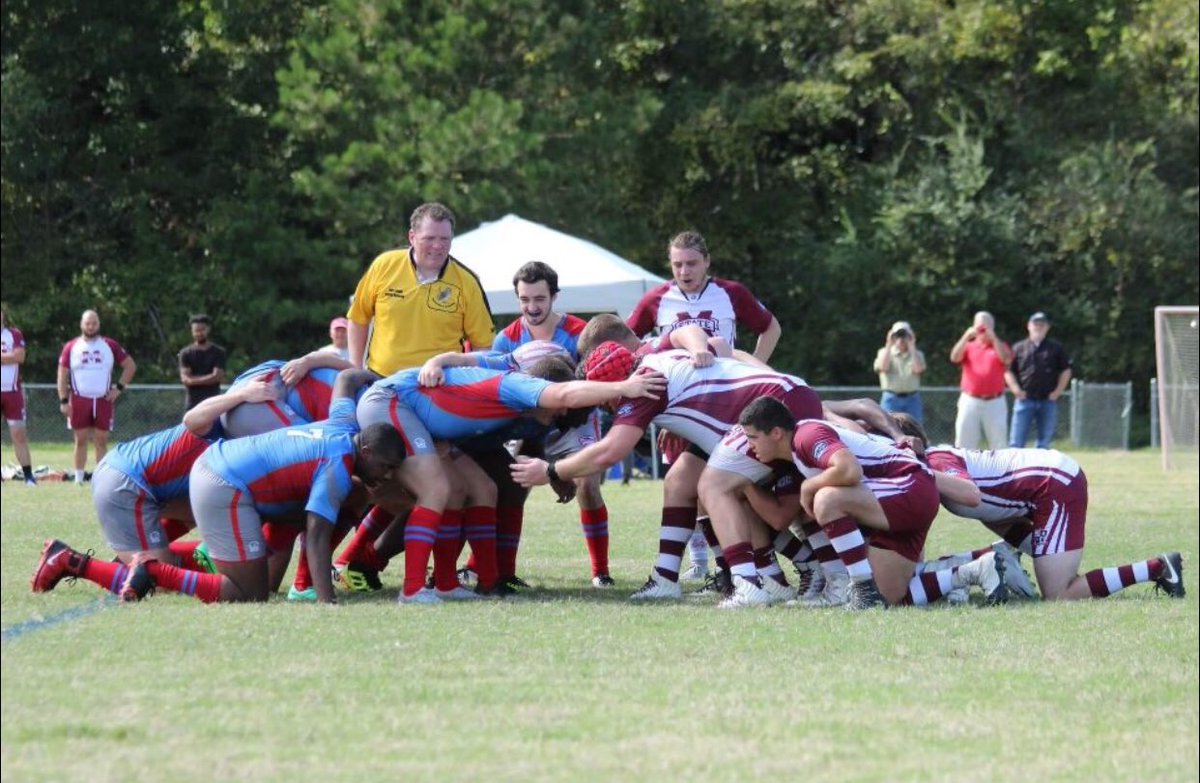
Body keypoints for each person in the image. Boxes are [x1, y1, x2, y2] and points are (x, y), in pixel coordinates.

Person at [355, 359, 665, 603]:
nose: (563, 413)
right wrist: (625, 386)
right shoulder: (518, 385)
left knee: (481, 488)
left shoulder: (525, 403)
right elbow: (565, 393)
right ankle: (410, 590)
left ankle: (451, 584)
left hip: (424, 423)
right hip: (392, 401)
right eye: (561, 409)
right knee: (436, 488)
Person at [29, 378, 280, 598]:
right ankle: (69, 560)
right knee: (159, 580)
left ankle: (137, 556)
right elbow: (191, 418)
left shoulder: (238, 447)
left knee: (208, 511)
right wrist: (241, 394)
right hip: (127, 482)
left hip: (137, 483)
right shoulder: (215, 427)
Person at [627, 230, 782, 581]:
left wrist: (750, 366)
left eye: (692, 263)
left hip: (729, 405)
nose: (684, 271)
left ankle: (753, 569)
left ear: (707, 261)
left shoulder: (732, 293)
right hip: (685, 409)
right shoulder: (656, 299)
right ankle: (724, 567)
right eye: (677, 264)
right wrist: (662, 409)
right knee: (693, 491)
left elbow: (771, 328)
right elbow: (630, 346)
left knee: (733, 488)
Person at [925, 443, 1185, 601]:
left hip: (1053, 484)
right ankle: (1008, 558)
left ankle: (1158, 568)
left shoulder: (933, 462)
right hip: (1043, 483)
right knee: (989, 513)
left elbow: (970, 494)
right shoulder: (933, 458)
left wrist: (918, 470)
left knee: (1059, 594)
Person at [489, 261, 614, 587]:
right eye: (525, 299)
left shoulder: (579, 333)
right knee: (512, 486)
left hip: (577, 423)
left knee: (588, 484)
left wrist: (563, 468)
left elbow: (599, 380)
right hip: (529, 424)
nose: (532, 307)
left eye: (539, 299)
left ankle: (600, 572)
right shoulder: (506, 340)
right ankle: (500, 570)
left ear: (554, 296)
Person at [346, 202, 494, 376]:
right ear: (412, 237)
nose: (438, 246)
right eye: (430, 238)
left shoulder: (467, 282)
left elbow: (483, 346)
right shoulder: (384, 265)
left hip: (442, 384)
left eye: (444, 239)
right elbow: (357, 318)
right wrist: (355, 366)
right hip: (382, 381)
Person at [57, 310, 137, 485]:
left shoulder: (109, 345)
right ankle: (78, 478)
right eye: (87, 323)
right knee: (80, 440)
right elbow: (62, 375)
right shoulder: (72, 346)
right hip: (79, 399)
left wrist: (118, 388)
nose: (91, 326)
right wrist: (63, 400)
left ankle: (101, 478)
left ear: (99, 324)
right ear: (81, 324)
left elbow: (130, 366)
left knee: (101, 440)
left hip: (103, 399)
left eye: (94, 323)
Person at [1005, 312, 1072, 448]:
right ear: (1029, 326)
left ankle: (1040, 469)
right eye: (1036, 324)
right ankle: (1015, 469)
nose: (1039, 327)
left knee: (1044, 443)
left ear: (1047, 328)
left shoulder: (1056, 348)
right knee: (1016, 443)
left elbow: (1066, 370)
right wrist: (1016, 390)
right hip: (1024, 400)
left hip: (1047, 401)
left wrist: (1058, 392)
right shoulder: (1018, 348)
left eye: (1042, 325)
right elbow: (1008, 371)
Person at [949, 310, 1012, 449]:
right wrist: (966, 336)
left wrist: (994, 339)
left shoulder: (1000, 346)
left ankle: (999, 470)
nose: (983, 330)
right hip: (970, 400)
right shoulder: (969, 346)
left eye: (986, 326)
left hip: (995, 401)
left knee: (999, 443)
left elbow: (1006, 359)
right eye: (980, 326)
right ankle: (964, 469)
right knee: (964, 441)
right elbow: (954, 357)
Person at [1, 307, 36, 486]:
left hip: (12, 392)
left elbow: (20, 356)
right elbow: (13, 356)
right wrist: (9, 357)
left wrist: (12, 357)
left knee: (19, 435)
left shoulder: (14, 334)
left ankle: (28, 476)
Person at [873, 320, 926, 425]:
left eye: (904, 335)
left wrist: (912, 346)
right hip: (891, 399)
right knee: (887, 428)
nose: (901, 338)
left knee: (915, 429)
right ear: (892, 336)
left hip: (912, 399)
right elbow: (883, 367)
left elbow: (918, 369)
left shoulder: (917, 354)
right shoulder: (883, 352)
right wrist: (888, 344)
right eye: (898, 335)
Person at [178, 314, 227, 411]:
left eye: (202, 330)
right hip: (192, 404)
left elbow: (218, 377)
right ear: (192, 332)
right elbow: (186, 380)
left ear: (208, 329)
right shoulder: (185, 353)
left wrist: (194, 379)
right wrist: (210, 378)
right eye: (196, 330)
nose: (199, 333)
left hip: (213, 403)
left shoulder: (219, 352)